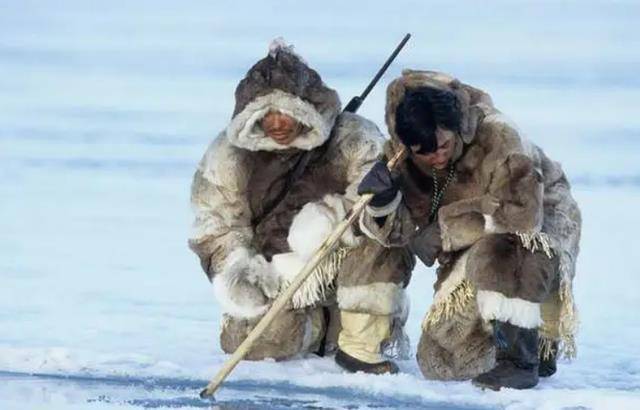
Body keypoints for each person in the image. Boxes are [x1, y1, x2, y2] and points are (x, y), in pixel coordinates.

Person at [188, 40, 413, 374]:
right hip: (275, 275)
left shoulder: (353, 139)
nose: (277, 123)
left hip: (338, 260)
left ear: (306, 109)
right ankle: (317, 326)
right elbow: (215, 223)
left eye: (287, 112)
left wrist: (379, 202)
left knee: (375, 242)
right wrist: (244, 275)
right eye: (267, 114)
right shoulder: (229, 154)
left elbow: (392, 224)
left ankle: (361, 344)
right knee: (263, 346)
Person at [358, 70, 581, 390]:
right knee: (443, 363)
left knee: (511, 249)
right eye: (426, 152)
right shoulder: (398, 158)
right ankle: (498, 333)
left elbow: (522, 216)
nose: (438, 157)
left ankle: (525, 353)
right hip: (472, 232)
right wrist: (382, 202)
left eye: (444, 145)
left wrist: (443, 231)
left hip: (540, 215)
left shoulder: (499, 137)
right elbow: (398, 236)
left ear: (456, 129)